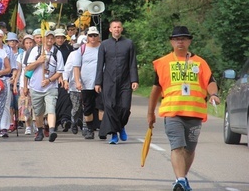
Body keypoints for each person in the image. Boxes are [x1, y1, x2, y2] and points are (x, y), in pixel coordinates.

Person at [147, 26, 220, 191]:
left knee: (189, 150)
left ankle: (181, 180)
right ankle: (180, 180)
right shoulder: (163, 63)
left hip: (194, 113)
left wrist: (214, 95)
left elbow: (210, 81)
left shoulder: (200, 62)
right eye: (177, 39)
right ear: (171, 42)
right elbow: (155, 90)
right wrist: (150, 113)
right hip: (173, 113)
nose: (180, 41)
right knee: (177, 146)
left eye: (184, 38)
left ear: (189, 41)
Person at [94, 20, 139, 144]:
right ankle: (114, 134)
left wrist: (134, 79)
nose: (117, 29)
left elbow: (132, 63)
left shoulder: (129, 44)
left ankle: (121, 126)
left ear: (122, 29)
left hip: (125, 81)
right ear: (110, 29)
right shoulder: (104, 44)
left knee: (125, 107)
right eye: (114, 27)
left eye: (119, 27)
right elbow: (100, 65)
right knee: (110, 107)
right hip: (108, 81)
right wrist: (98, 82)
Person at [25, 30, 64, 142]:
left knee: (51, 108)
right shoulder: (36, 51)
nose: (50, 40)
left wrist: (49, 80)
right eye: (48, 38)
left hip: (50, 87)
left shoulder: (57, 52)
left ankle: (51, 130)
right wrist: (39, 61)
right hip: (36, 87)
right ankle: (40, 130)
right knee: (38, 112)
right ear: (43, 39)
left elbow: (59, 71)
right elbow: (28, 68)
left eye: (52, 38)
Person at [74, 27, 102, 139]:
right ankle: (90, 129)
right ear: (87, 37)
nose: (93, 37)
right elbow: (76, 67)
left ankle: (101, 128)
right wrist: (77, 81)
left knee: (102, 106)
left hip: (101, 83)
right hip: (86, 83)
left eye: (95, 35)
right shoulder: (82, 49)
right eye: (91, 35)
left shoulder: (103, 48)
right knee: (88, 108)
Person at [63, 35, 87, 135]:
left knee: (87, 107)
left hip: (88, 85)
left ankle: (86, 127)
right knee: (76, 107)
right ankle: (74, 122)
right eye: (82, 44)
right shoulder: (73, 54)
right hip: (74, 85)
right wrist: (65, 80)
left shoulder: (92, 53)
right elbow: (67, 68)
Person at [14, 34, 36, 135]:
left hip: (35, 83)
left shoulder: (37, 53)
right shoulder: (21, 55)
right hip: (24, 84)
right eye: (26, 43)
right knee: (25, 106)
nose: (29, 45)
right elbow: (19, 71)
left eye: (30, 42)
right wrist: (15, 84)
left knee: (35, 105)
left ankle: (36, 124)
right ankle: (28, 125)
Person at [53, 28, 73, 132]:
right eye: (57, 37)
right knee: (55, 100)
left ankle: (65, 119)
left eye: (61, 38)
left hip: (66, 77)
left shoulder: (69, 49)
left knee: (66, 98)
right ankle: (55, 122)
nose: (60, 40)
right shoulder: (52, 49)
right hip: (53, 77)